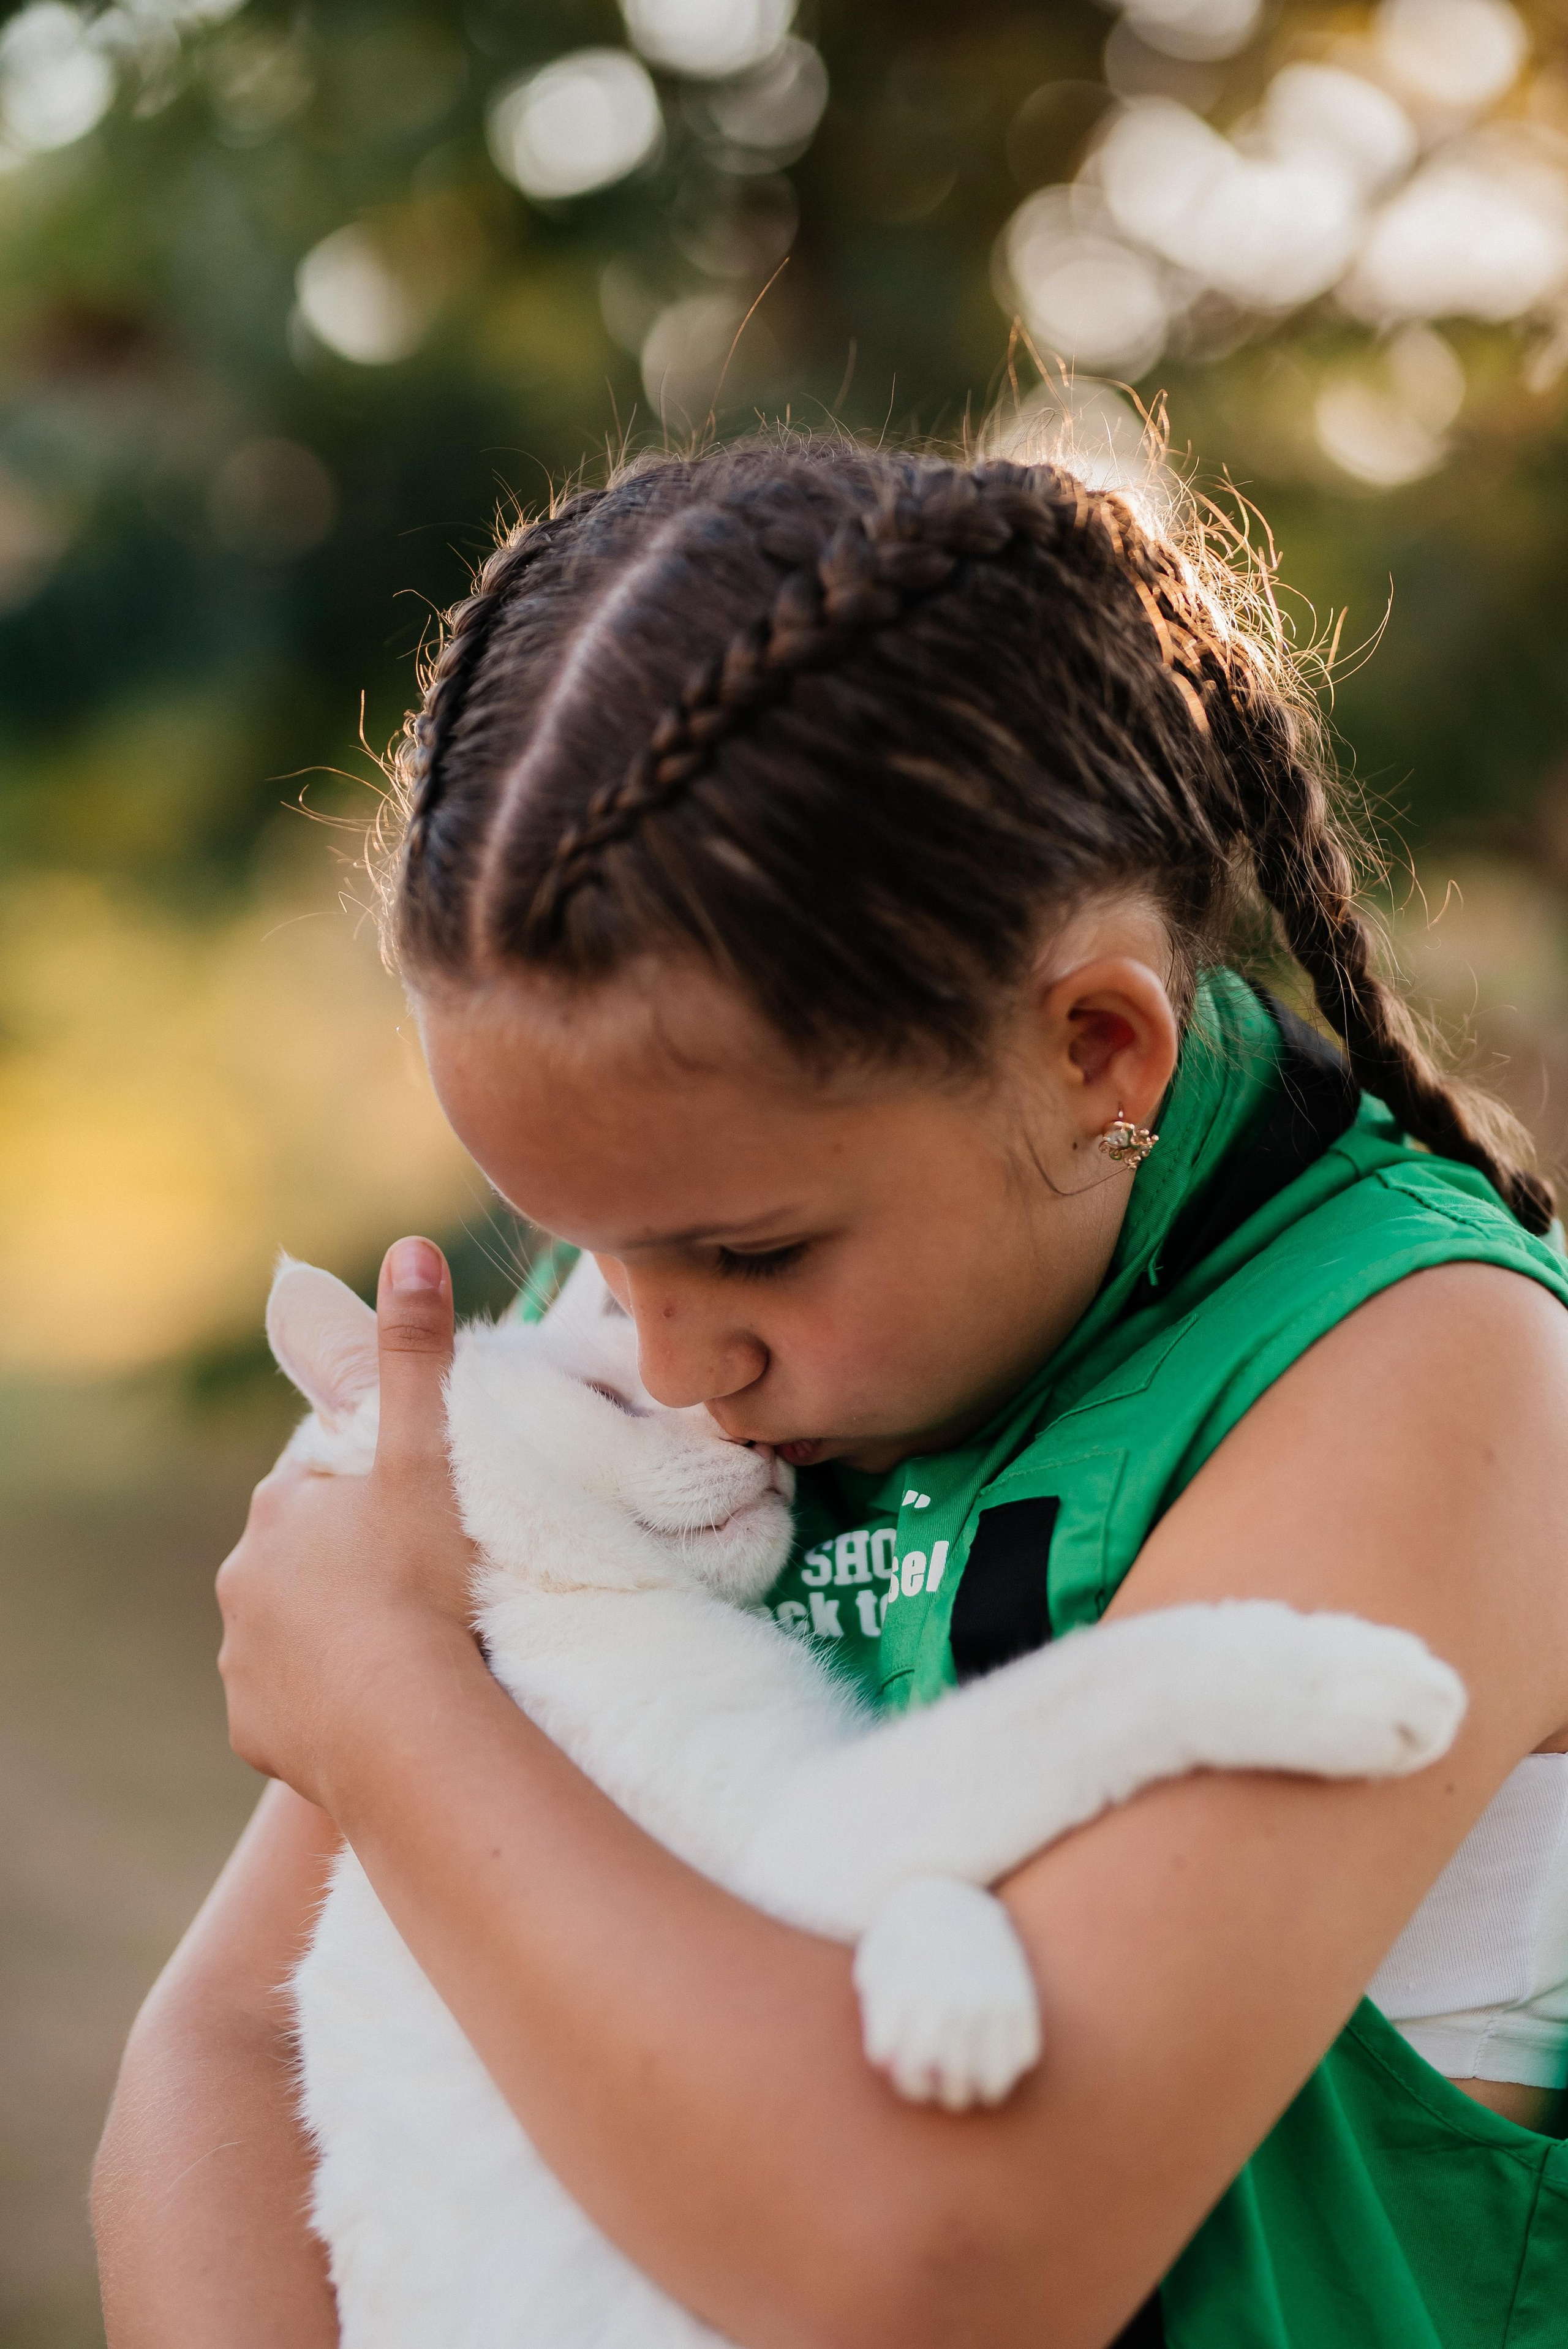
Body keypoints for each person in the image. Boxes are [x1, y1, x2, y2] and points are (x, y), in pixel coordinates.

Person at [92, 442, 1568, 2348]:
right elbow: (227, 2041)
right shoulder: (651, 1329)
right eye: (593, 1255)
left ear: (1095, 1048)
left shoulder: (1430, 1369)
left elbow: (942, 2255)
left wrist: (388, 1704)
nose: (671, 1362)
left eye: (753, 1254)